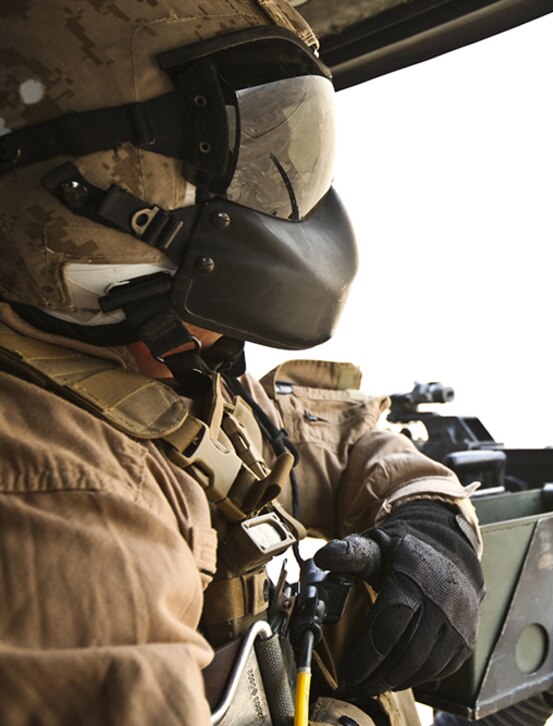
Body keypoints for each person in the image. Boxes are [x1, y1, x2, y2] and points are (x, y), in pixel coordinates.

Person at [0, 1, 485, 724]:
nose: (284, 211)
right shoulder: (65, 505)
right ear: (88, 194)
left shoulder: (139, 370)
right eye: (247, 167)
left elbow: (327, 435)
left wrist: (426, 515)